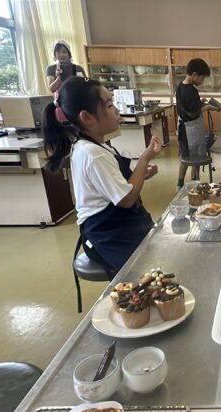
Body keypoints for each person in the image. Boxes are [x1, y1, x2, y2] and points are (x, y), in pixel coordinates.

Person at [43, 77, 162, 272]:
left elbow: (114, 185)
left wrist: (141, 174)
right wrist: (144, 159)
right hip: (108, 234)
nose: (116, 110)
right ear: (87, 117)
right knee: (148, 269)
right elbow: (126, 199)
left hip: (121, 225)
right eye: (109, 105)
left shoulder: (96, 146)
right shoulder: (92, 154)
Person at [176, 58, 217, 190]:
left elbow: (189, 105)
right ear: (194, 75)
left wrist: (201, 102)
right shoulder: (190, 90)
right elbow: (192, 113)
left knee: (189, 156)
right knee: (192, 157)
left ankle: (190, 181)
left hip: (185, 128)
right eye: (202, 78)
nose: (202, 81)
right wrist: (206, 107)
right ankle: (188, 183)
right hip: (190, 130)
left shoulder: (181, 86)